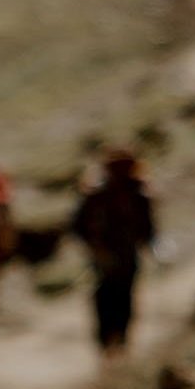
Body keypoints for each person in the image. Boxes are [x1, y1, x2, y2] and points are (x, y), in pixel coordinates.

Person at [72, 148, 159, 359]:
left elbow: (148, 229)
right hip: (104, 261)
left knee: (123, 302)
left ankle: (119, 345)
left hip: (126, 259)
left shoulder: (138, 195)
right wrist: (96, 250)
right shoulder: (97, 196)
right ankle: (108, 348)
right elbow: (78, 227)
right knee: (106, 302)